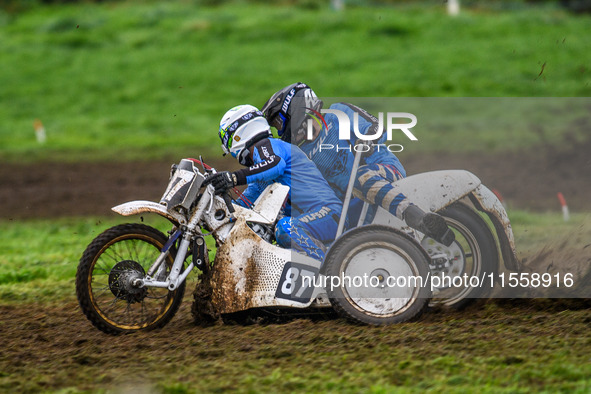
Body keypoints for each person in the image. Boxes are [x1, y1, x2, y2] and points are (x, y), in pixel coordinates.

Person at [261, 83, 455, 246]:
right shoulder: (300, 154)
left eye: (278, 124)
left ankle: (421, 220)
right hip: (350, 205)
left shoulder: (338, 114)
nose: (279, 132)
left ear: (296, 109)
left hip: (384, 171)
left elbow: (376, 126)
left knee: (360, 177)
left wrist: (367, 139)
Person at [204, 104, 343, 261]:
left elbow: (275, 164)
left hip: (329, 212)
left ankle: (328, 273)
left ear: (238, 134)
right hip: (315, 219)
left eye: (228, 142)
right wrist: (211, 214)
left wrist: (233, 178)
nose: (229, 150)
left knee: (286, 228)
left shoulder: (267, 145)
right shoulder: (260, 175)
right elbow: (241, 208)